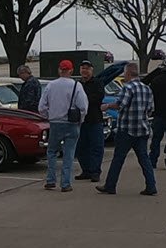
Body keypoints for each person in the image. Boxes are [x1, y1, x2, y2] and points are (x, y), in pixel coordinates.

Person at [96, 62, 157, 196]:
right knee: (144, 158)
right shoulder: (147, 89)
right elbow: (151, 109)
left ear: (128, 73)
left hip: (127, 129)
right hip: (142, 129)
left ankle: (110, 185)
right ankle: (151, 185)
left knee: (118, 159)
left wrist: (106, 106)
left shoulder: (127, 88)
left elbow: (120, 105)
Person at [38, 60, 88, 192]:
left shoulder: (51, 85)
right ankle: (65, 183)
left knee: (52, 152)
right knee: (69, 154)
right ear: (71, 71)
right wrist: (80, 120)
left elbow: (42, 107)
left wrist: (49, 116)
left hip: (55, 122)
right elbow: (83, 106)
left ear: (59, 70)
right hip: (72, 123)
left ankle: (51, 180)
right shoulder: (76, 85)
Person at [75, 60, 105, 183]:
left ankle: (95, 172)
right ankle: (86, 170)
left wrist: (83, 100)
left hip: (95, 119)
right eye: (83, 68)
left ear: (92, 70)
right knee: (81, 147)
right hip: (80, 121)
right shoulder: (77, 84)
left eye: (87, 68)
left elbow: (98, 98)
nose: (85, 71)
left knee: (96, 147)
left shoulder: (97, 83)